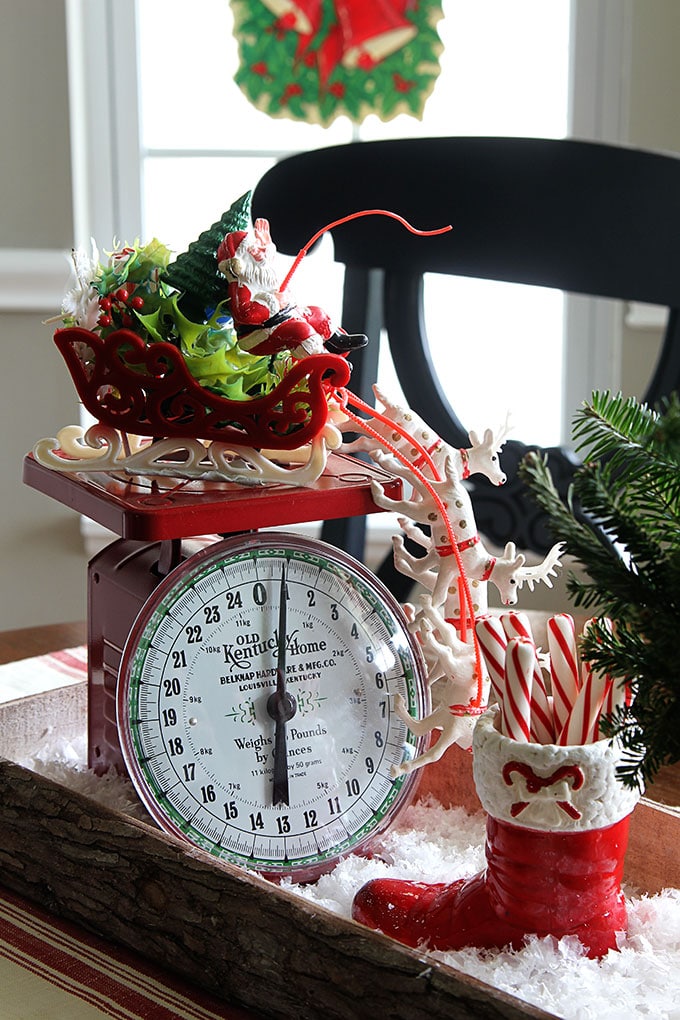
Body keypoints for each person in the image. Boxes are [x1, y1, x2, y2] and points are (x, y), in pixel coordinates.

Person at [217, 218, 367, 360]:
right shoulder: (241, 287)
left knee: (317, 313)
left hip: (286, 316)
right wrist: (275, 301)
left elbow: (266, 259)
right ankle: (321, 361)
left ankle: (336, 341)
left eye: (257, 247)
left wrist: (267, 246)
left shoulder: (263, 274)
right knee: (300, 331)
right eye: (253, 250)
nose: (259, 252)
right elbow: (246, 313)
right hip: (260, 334)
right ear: (240, 263)